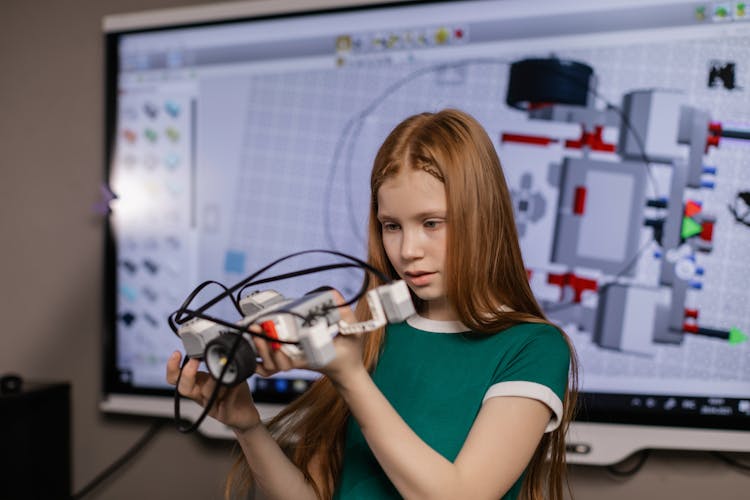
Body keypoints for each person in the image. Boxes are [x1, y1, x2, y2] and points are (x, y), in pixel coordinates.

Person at [166, 108, 578, 500]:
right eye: (391, 226)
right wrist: (248, 427)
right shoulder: (372, 330)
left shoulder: (532, 349)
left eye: (431, 223)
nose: (408, 249)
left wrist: (350, 376)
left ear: (482, 217)